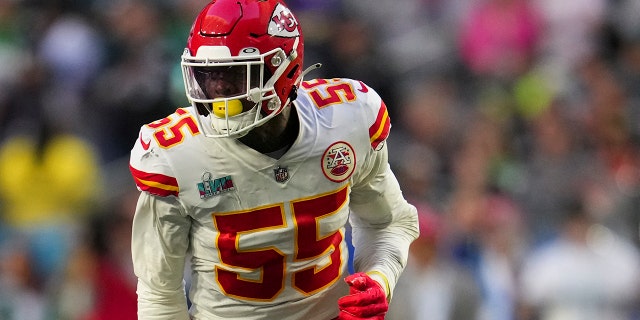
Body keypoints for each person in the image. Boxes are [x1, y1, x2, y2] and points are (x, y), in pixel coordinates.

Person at [128, 1, 420, 319]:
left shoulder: (347, 120)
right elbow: (159, 294)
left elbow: (387, 222)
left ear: (284, 69)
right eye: (208, 74)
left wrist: (379, 279)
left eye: (234, 74)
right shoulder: (175, 155)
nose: (217, 90)